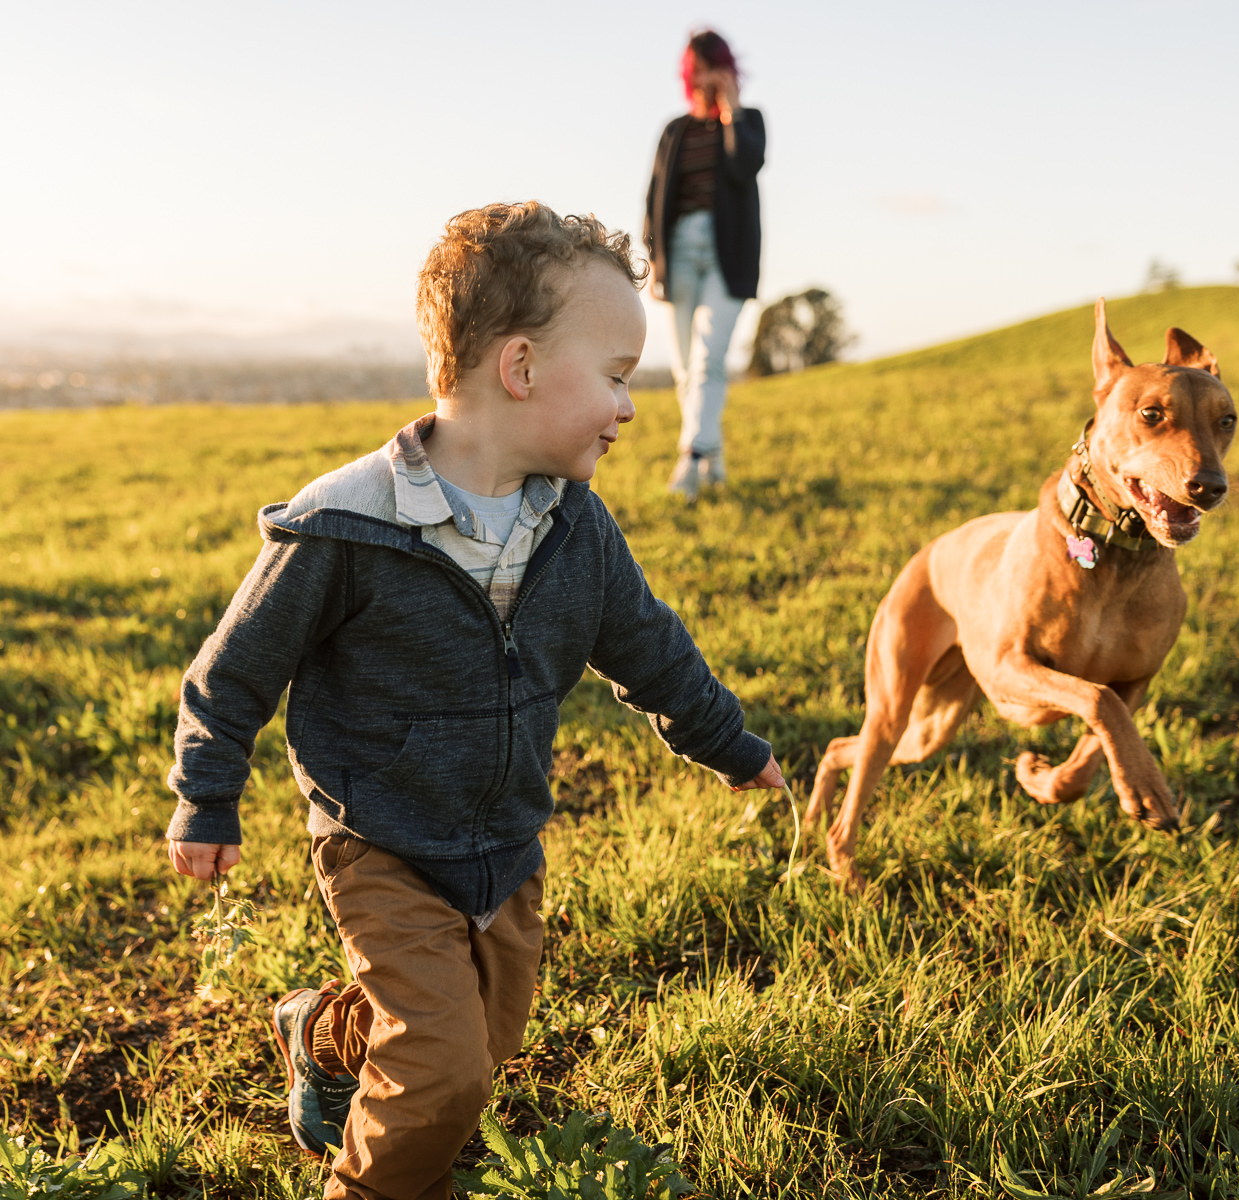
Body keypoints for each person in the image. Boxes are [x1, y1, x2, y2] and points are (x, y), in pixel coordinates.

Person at [162, 201, 785, 1199]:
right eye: (616, 377)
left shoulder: (573, 527)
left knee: (481, 1046)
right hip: (380, 838)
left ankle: (323, 1035)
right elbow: (232, 671)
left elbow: (650, 650)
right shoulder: (344, 526)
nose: (628, 408)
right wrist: (205, 796)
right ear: (520, 367)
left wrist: (728, 743)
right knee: (440, 1072)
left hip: (503, 841)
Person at [643, 29, 766, 499]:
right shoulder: (674, 131)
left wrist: (731, 109)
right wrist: (654, 258)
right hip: (678, 251)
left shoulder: (749, 122)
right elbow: (654, 198)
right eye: (697, 69)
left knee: (708, 358)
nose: (704, 78)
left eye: (712, 68)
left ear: (728, 70)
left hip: (726, 255)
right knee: (684, 367)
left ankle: (690, 459)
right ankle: (713, 455)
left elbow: (746, 164)